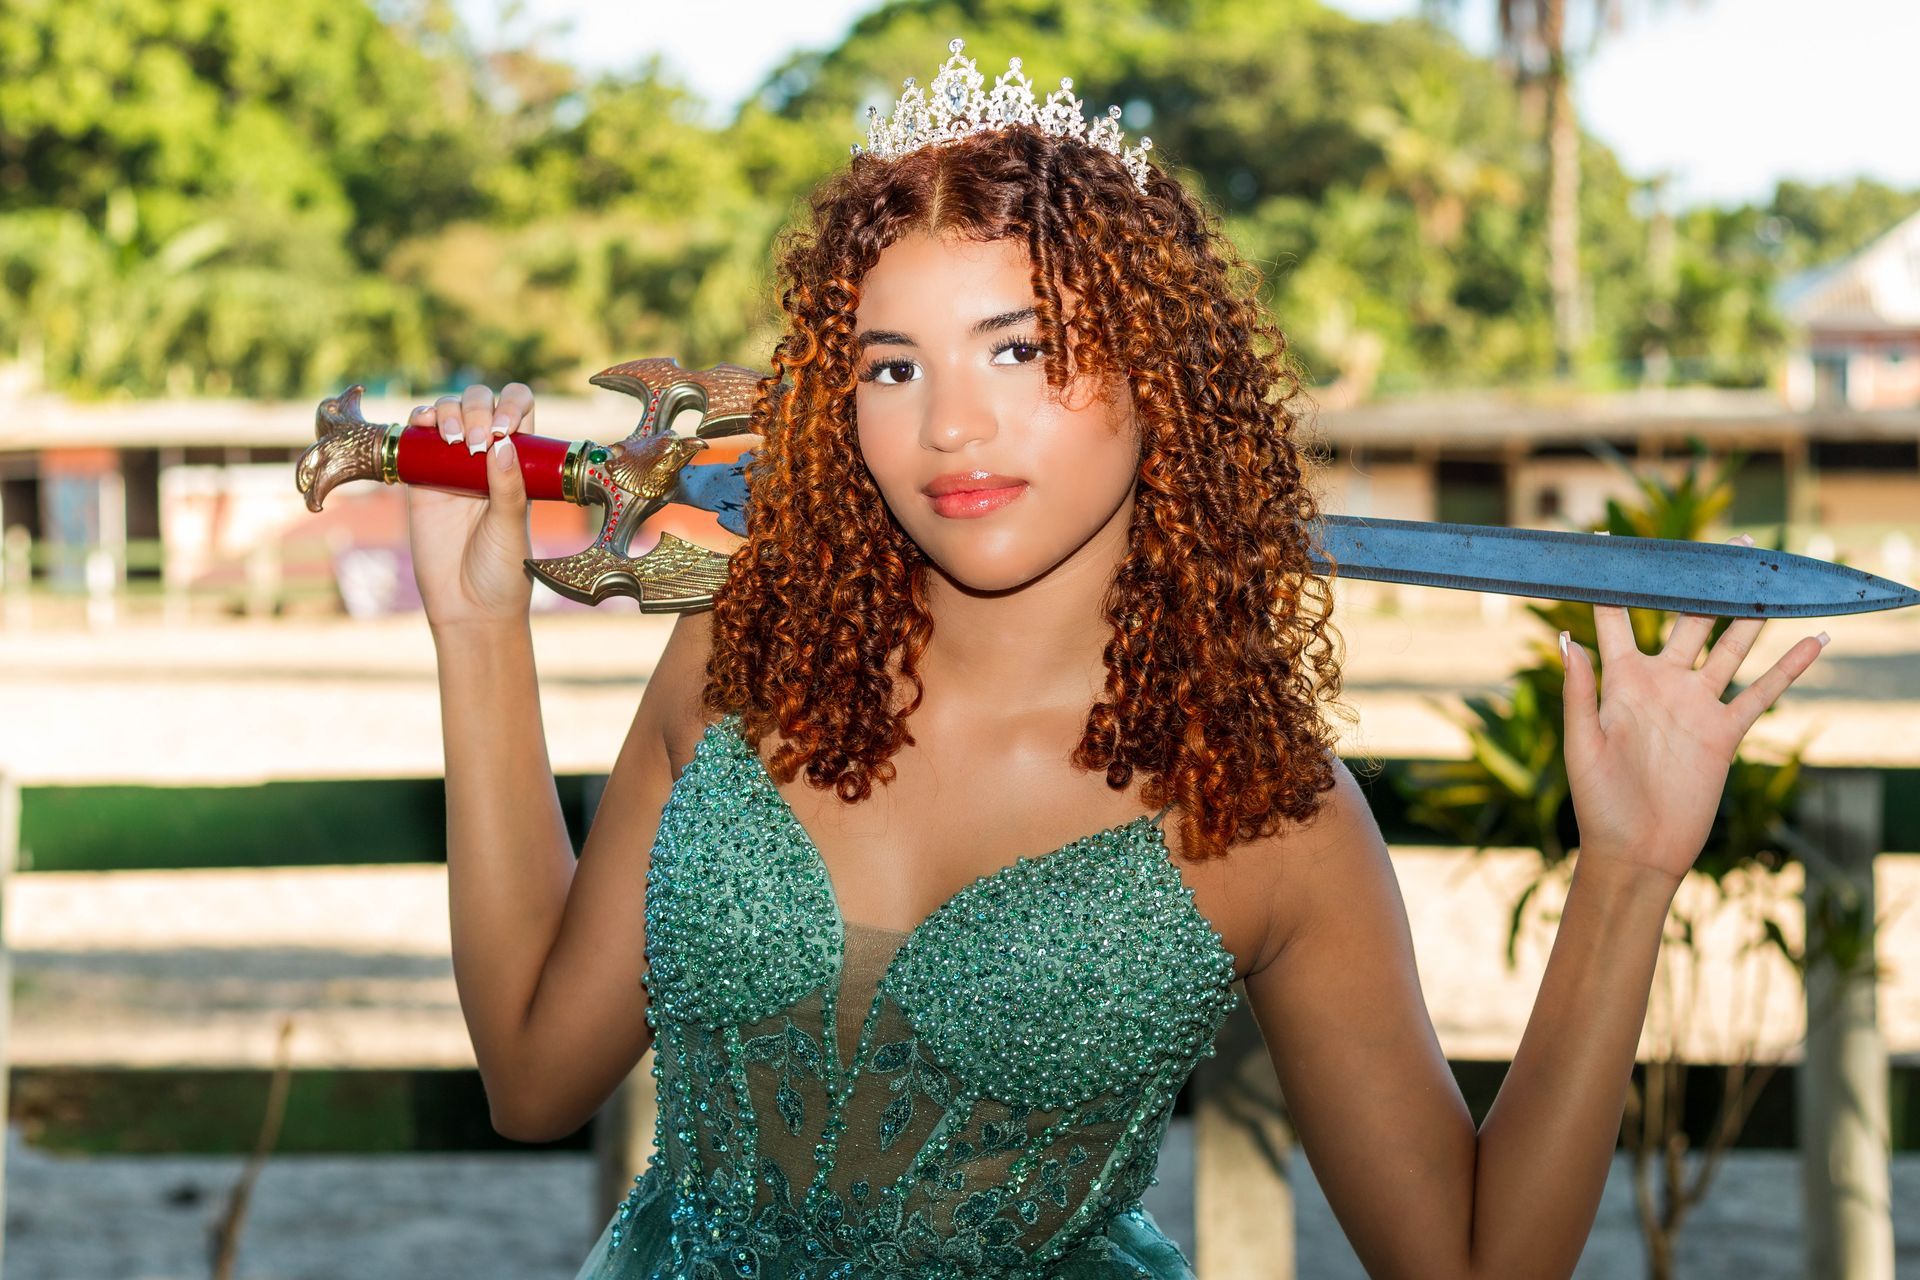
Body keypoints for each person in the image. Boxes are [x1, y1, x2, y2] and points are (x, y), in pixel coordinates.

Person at [403, 38, 1828, 1280]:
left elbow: (1465, 1262)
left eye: (1019, 351)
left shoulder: (1262, 813)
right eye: (892, 367)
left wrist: (1630, 872)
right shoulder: (739, 661)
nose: (952, 427)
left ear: (1162, 369)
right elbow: (534, 1078)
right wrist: (478, 639)